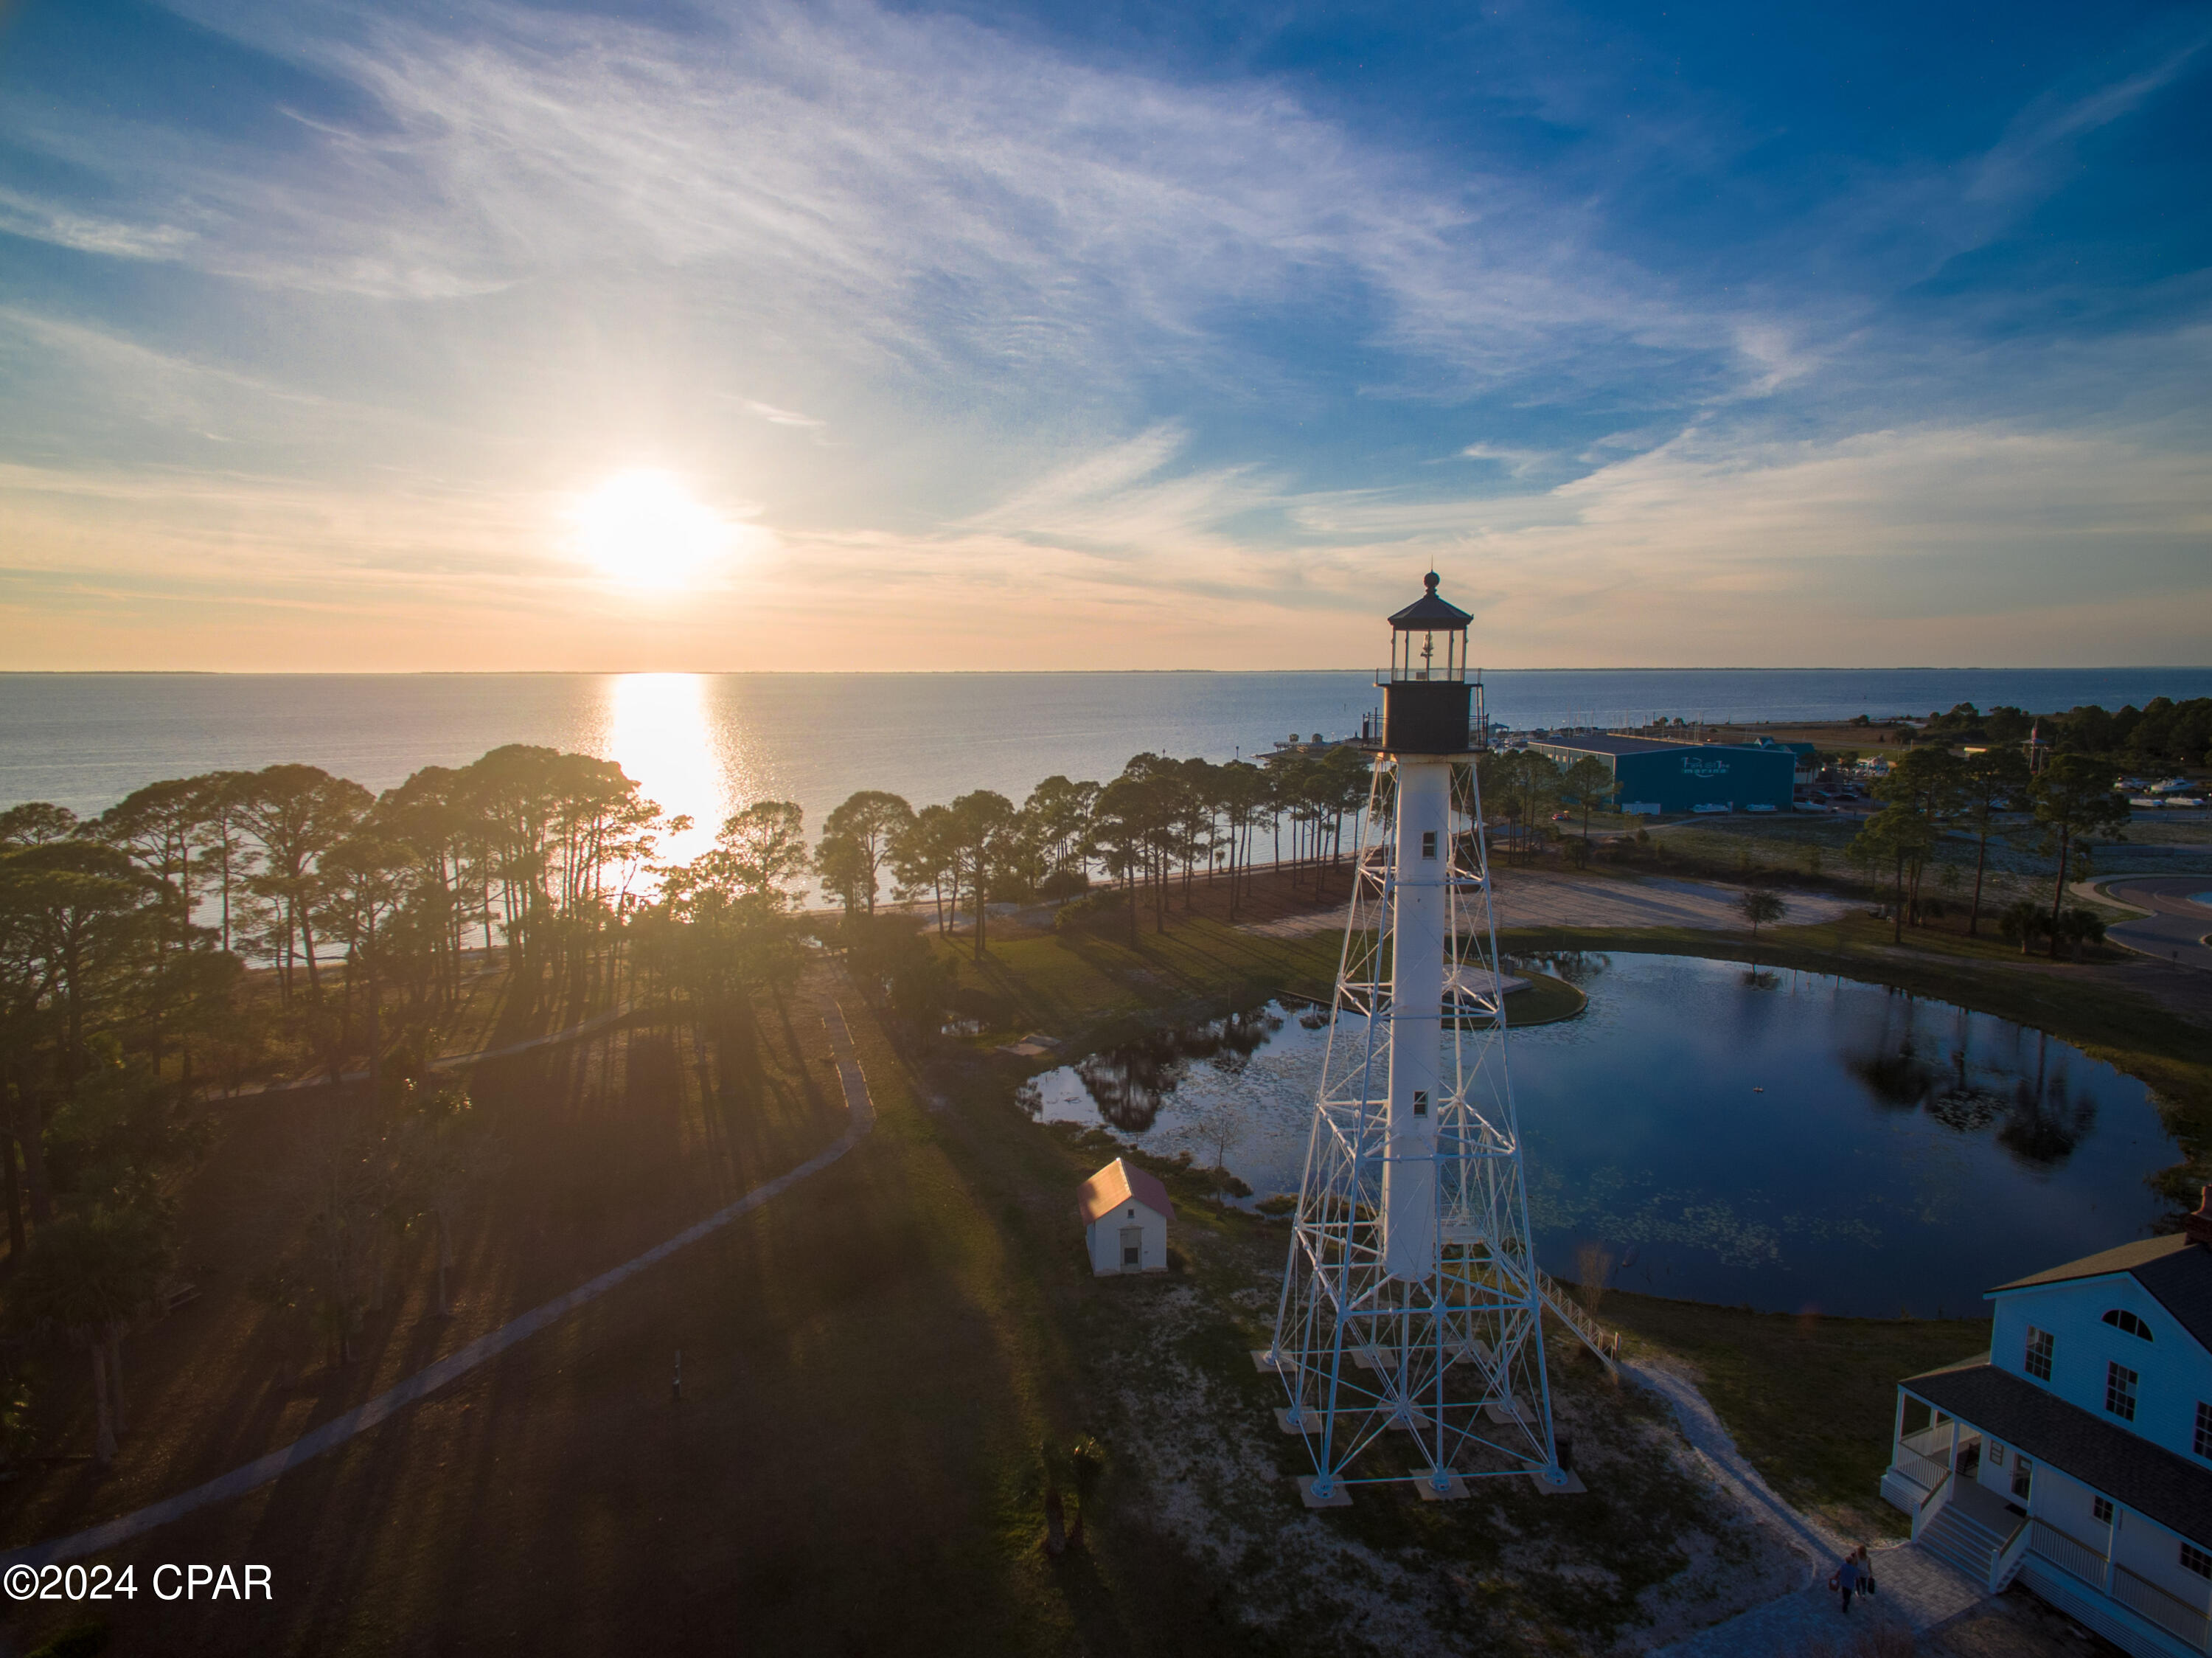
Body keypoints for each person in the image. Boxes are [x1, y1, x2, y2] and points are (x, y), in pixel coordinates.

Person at [1830, 1549, 1863, 1615]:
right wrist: (1859, 1584)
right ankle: (1845, 1604)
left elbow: (1838, 1572)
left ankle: (1845, 1601)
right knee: (1848, 1596)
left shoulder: (1843, 1565)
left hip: (1843, 1583)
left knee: (1844, 1593)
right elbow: (1857, 1578)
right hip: (1850, 1585)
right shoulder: (1854, 1569)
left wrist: (1835, 1577)